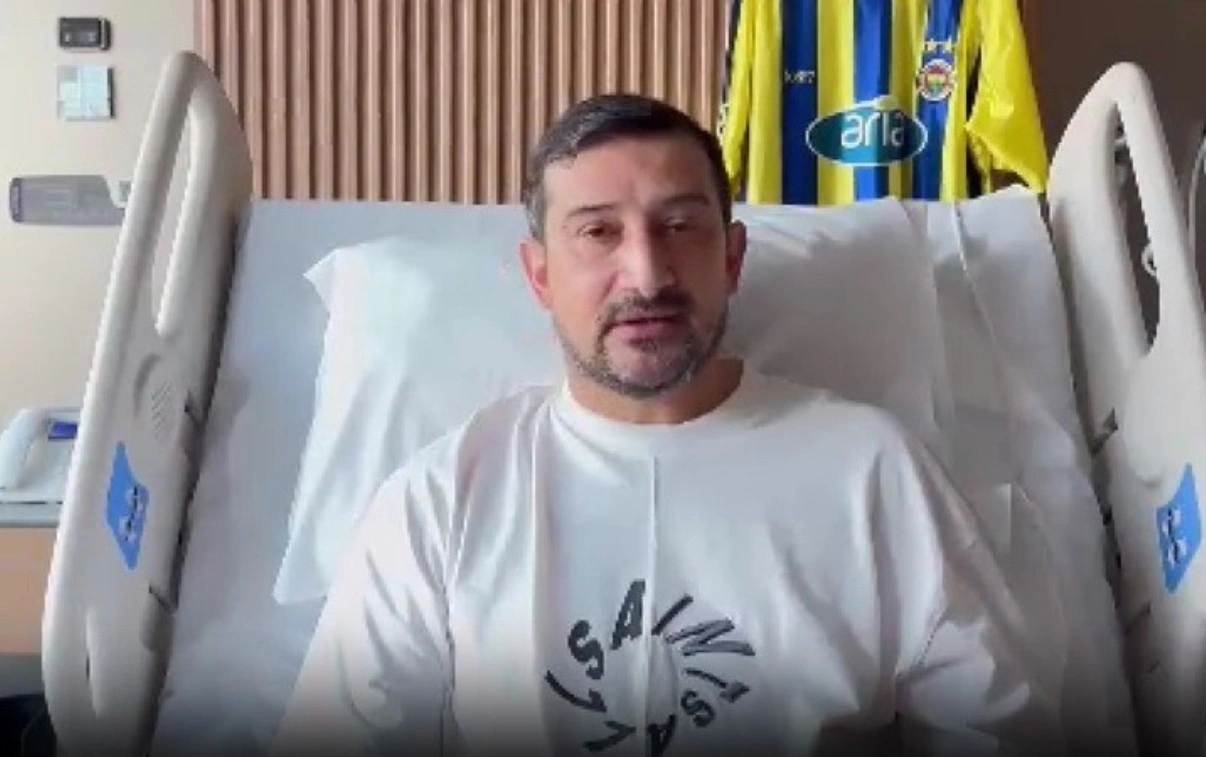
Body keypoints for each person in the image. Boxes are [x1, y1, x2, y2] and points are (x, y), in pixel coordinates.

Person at [271, 93, 1063, 757]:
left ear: (732, 258)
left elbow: (1003, 727)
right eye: (598, 232)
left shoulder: (873, 474)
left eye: (680, 226)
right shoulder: (444, 500)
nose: (647, 275)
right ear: (540, 276)